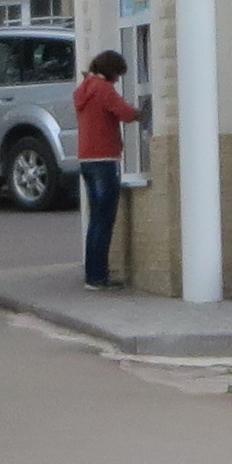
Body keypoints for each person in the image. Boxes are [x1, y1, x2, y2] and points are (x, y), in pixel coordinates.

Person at [73, 51, 143, 287]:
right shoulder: (103, 89)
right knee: (104, 220)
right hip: (104, 159)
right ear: (111, 70)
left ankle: (92, 275)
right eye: (118, 74)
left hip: (86, 160)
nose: (118, 79)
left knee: (95, 220)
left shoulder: (84, 88)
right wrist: (141, 112)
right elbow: (125, 113)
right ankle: (98, 277)